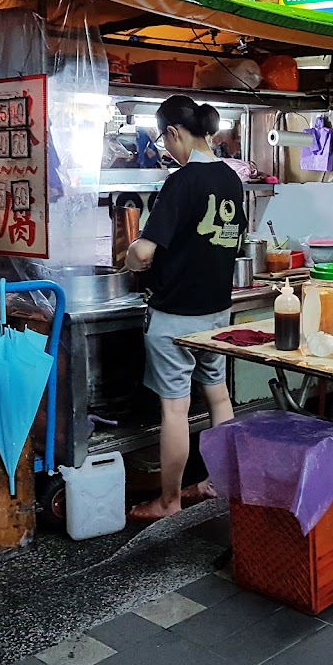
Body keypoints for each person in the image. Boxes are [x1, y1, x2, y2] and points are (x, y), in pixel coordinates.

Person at [125, 95, 247, 522]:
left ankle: (169, 500)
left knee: (175, 409)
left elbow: (144, 253)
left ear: (174, 133)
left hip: (176, 315)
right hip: (217, 312)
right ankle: (218, 481)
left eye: (164, 140)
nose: (166, 150)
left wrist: (129, 255)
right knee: (218, 394)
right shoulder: (232, 180)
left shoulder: (181, 182)